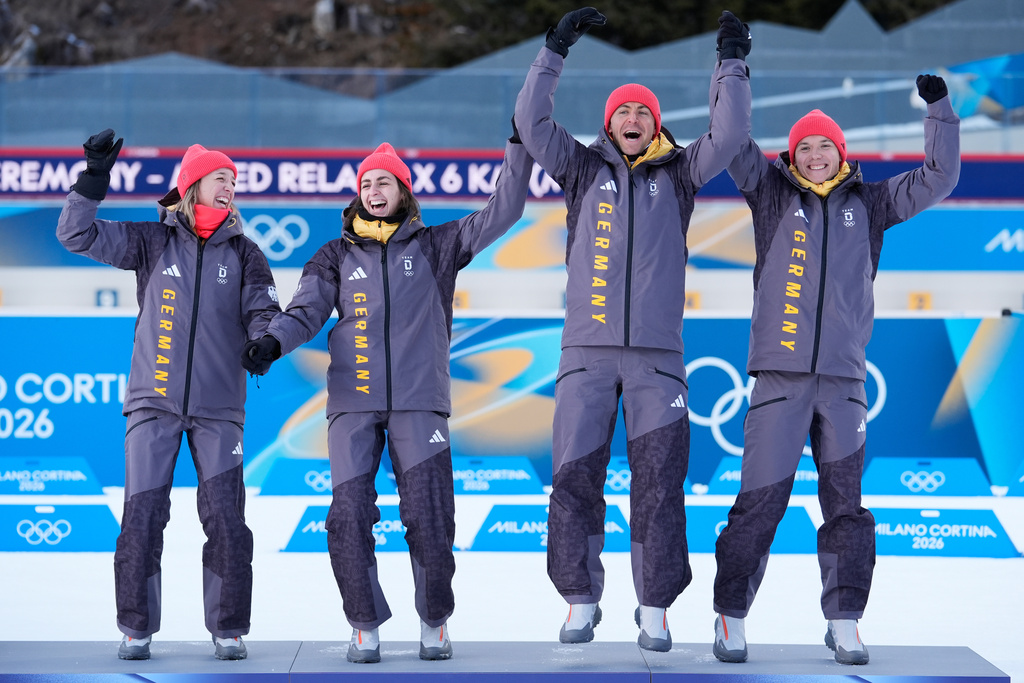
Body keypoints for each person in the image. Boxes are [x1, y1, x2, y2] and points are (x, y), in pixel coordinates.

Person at [241, 136, 533, 663]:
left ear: (403, 190)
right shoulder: (333, 255)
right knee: (348, 514)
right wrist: (272, 342)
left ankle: (434, 619)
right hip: (353, 401)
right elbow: (305, 311)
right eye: (366, 183)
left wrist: (519, 146)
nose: (375, 190)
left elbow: (505, 209)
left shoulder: (438, 245)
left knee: (430, 513)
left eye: (385, 182)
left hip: (421, 400)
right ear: (358, 195)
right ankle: (363, 623)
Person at [513, 7, 751, 652]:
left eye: (643, 112)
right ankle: (579, 600)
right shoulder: (581, 169)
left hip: (656, 359)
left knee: (659, 484)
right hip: (586, 354)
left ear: (656, 123)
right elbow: (531, 123)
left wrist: (731, 61)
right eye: (623, 111)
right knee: (573, 481)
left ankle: (655, 607)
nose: (633, 120)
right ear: (609, 122)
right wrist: (554, 50)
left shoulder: (679, 175)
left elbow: (729, 135)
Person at [711, 75, 960, 665]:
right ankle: (731, 615)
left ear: (842, 153)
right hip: (780, 378)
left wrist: (940, 110)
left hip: (845, 384)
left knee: (845, 506)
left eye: (825, 146)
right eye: (804, 147)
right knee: (760, 503)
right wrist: (734, 67)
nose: (816, 155)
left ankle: (844, 619)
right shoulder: (770, 194)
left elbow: (940, 177)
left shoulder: (871, 204)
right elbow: (731, 136)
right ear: (791, 156)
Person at [56, 132, 281, 661]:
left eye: (234, 181)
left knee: (226, 520)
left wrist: (263, 342)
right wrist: (92, 179)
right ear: (192, 187)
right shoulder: (150, 242)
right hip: (152, 403)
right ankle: (136, 629)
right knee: (143, 517)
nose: (230, 187)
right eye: (220, 179)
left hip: (219, 407)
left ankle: (228, 628)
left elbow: (263, 312)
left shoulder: (248, 255)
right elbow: (74, 233)